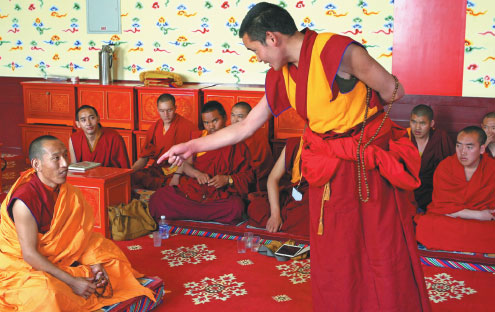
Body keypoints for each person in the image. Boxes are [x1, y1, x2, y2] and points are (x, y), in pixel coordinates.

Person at [158, 3, 430, 311]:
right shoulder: (282, 74)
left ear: (272, 39)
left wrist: (358, 126)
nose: (257, 57)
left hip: (362, 167)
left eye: (255, 49)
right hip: (329, 169)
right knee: (336, 252)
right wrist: (191, 146)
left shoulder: (338, 51)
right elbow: (246, 126)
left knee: (378, 248)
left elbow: (395, 90)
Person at [0, 135, 154, 311]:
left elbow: (79, 235)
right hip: (23, 264)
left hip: (59, 256)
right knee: (47, 293)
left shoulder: (68, 192)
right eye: (56, 158)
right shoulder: (24, 201)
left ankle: (84, 281)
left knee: (110, 260)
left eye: (66, 155)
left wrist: (95, 263)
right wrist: (72, 281)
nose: (65, 163)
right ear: (36, 165)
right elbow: (29, 255)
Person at [149, 101, 254, 224]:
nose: (211, 126)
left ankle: (189, 213)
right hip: (196, 191)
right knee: (158, 198)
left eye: (215, 121)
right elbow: (186, 165)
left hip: (220, 194)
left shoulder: (237, 144)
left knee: (236, 207)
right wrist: (197, 174)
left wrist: (227, 179)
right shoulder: (199, 138)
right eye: (206, 123)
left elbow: (249, 177)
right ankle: (204, 214)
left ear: (225, 118)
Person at [415, 126, 495, 253]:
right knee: (428, 223)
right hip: (456, 219)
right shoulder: (446, 166)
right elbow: (441, 206)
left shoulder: (492, 168)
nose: (462, 152)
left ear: (481, 149)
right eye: (459, 146)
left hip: (479, 223)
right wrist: (478, 215)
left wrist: (481, 216)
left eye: (469, 147)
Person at [132, 93, 196, 190]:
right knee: (135, 177)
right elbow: (144, 158)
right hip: (158, 170)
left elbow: (192, 159)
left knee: (185, 184)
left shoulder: (188, 127)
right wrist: (129, 172)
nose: (166, 115)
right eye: (162, 111)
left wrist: (177, 175)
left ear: (175, 108)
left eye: (169, 110)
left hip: (179, 170)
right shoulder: (154, 128)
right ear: (157, 110)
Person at [247, 137, 309, 236]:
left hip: (311, 200)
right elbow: (273, 178)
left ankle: (286, 223)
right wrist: (275, 214)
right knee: (256, 208)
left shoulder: (329, 146)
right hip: (292, 195)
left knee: (306, 217)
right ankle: (282, 221)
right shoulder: (295, 144)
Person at [408, 104, 455, 212]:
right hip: (408, 194)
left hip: (433, 194)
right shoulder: (405, 137)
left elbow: (452, 168)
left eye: (422, 123)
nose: (417, 127)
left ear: (431, 124)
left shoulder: (440, 138)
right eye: (413, 122)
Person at [230, 101, 274, 193]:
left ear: (249, 117)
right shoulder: (228, 133)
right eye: (233, 115)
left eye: (240, 116)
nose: (235, 120)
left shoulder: (257, 136)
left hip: (250, 180)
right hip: (231, 177)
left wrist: (235, 178)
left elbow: (261, 165)